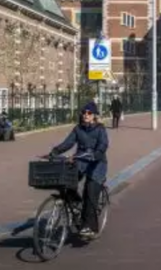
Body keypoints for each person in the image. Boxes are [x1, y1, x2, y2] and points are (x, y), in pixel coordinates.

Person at [50, 100, 109, 238]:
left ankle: (90, 228)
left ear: (94, 115)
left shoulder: (100, 129)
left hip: (97, 164)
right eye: (84, 112)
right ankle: (76, 207)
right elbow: (68, 143)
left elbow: (103, 144)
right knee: (67, 182)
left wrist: (97, 153)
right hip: (81, 161)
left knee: (89, 192)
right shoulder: (78, 129)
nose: (85, 115)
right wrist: (55, 151)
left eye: (89, 113)